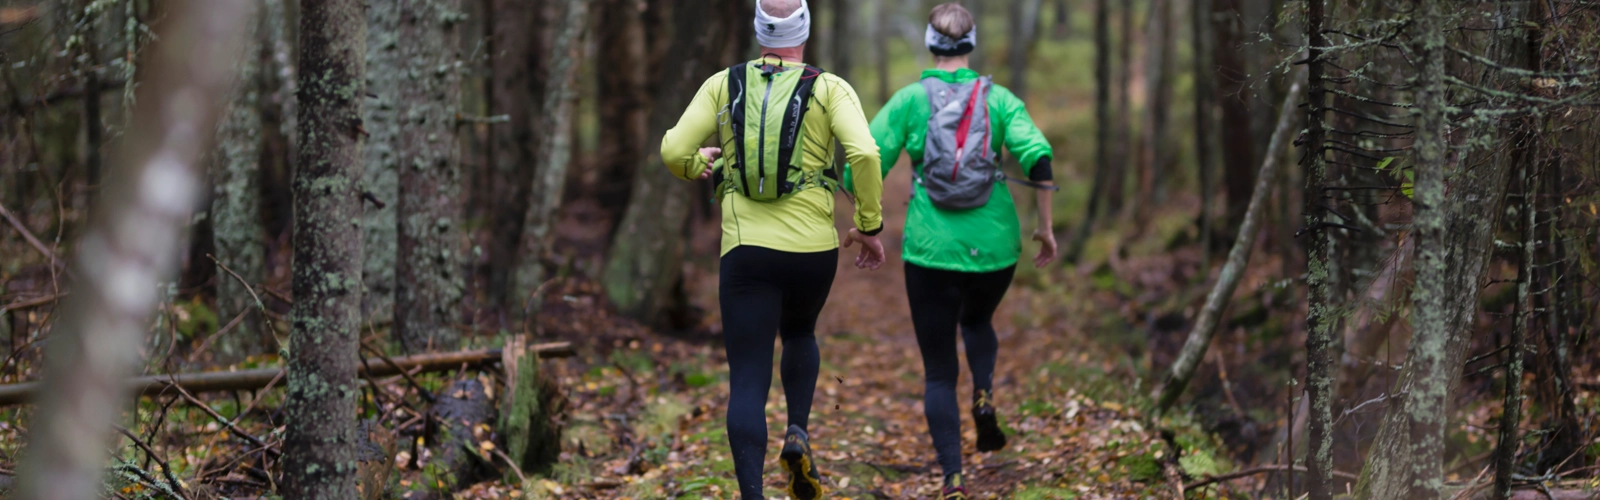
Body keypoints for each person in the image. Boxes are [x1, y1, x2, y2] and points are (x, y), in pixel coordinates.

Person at [658, 0, 886, 497]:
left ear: (759, 29)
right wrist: (869, 225)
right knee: (801, 332)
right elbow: (866, 154)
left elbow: (673, 149)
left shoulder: (723, 84)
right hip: (813, 250)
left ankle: (752, 494)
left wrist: (697, 165)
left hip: (746, 252)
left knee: (748, 375)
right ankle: (797, 431)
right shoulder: (829, 87)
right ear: (803, 28)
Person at [849, 3, 1057, 498]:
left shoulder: (909, 100)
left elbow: (864, 156)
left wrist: (864, 220)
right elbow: (1039, 158)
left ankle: (954, 478)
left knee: (939, 370)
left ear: (930, 44)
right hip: (995, 246)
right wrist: (1045, 228)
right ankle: (983, 394)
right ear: (971, 44)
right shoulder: (1000, 99)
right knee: (978, 321)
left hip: (930, 249)